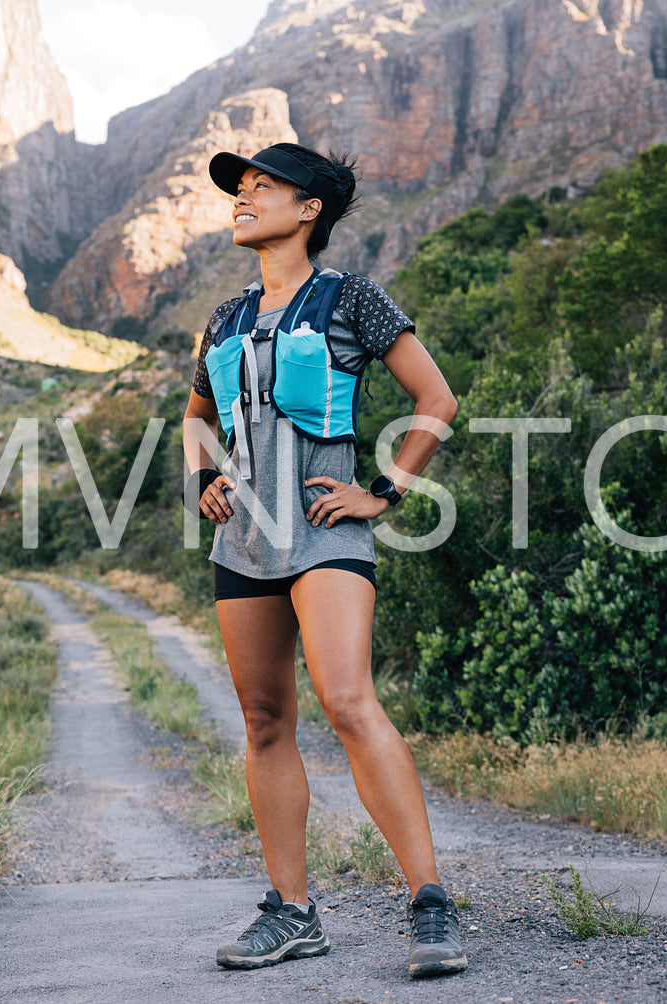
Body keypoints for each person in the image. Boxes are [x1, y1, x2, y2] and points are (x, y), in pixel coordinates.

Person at [180, 142, 466, 980]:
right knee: (265, 721)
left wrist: (382, 490)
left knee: (346, 701)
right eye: (239, 188)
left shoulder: (352, 300)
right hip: (243, 543)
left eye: (261, 186)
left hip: (324, 533)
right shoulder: (225, 320)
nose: (243, 197)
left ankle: (430, 905)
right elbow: (196, 413)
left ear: (309, 209)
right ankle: (292, 913)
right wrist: (205, 477)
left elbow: (436, 399)